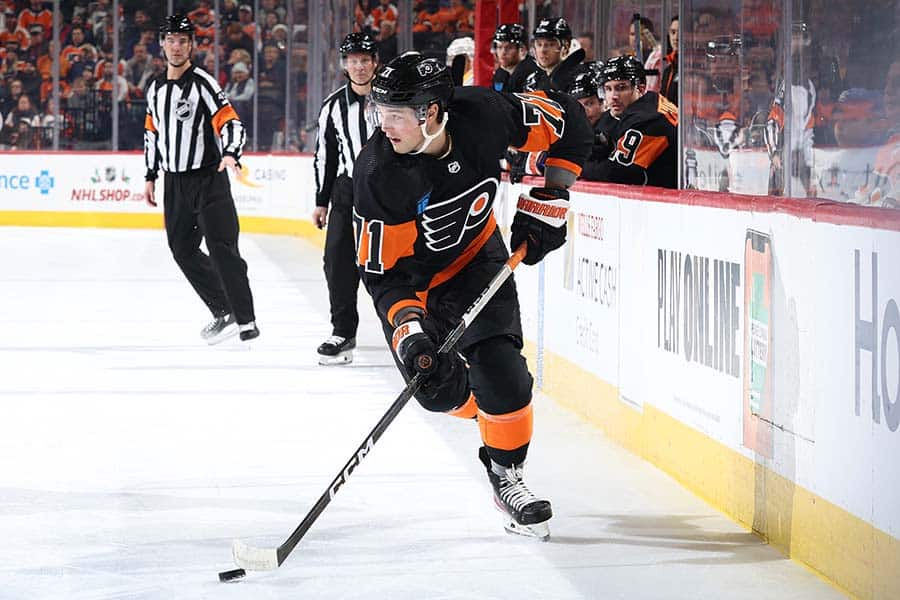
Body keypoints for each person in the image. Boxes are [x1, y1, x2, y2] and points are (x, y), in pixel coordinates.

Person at [354, 53, 592, 539]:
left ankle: (505, 470)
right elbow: (385, 277)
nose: (385, 125)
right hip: (415, 287)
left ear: (434, 112)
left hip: (478, 259)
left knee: (503, 373)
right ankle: (483, 403)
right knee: (437, 391)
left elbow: (572, 119)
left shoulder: (486, 112)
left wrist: (552, 194)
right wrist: (409, 333)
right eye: (380, 111)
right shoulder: (379, 174)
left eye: (397, 113)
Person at [143, 14, 258, 345]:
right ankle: (225, 309)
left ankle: (246, 319)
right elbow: (152, 134)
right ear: (162, 43)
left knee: (222, 248)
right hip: (174, 184)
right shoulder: (154, 88)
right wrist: (151, 175)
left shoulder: (203, 83)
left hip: (209, 178)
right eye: (171, 39)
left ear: (191, 45)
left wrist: (231, 153)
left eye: (182, 40)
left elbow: (231, 122)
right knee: (181, 248)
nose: (176, 46)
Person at [311, 32, 379, 365]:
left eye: (365, 60)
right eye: (353, 61)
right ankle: (343, 331)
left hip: (387, 192)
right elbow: (325, 155)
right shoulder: (333, 106)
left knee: (389, 264)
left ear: (375, 62)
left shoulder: (393, 98)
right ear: (344, 65)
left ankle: (410, 331)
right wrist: (321, 200)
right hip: (347, 191)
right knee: (337, 261)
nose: (360, 66)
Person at [583, 55, 678, 188]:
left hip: (667, 201)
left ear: (640, 88)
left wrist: (576, 166)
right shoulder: (646, 103)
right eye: (608, 89)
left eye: (621, 88)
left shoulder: (650, 119)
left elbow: (619, 173)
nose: (613, 97)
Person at [490, 23, 529, 93]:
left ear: (522, 49)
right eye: (499, 47)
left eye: (509, 48)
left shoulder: (532, 73)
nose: (503, 52)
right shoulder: (500, 73)